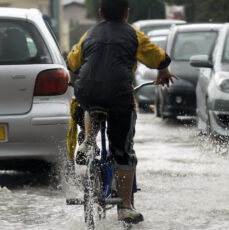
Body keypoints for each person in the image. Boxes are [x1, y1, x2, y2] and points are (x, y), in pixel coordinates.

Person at [66, 0, 177, 224]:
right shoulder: (133, 35)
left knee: (88, 103)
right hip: (118, 95)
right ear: (127, 13)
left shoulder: (89, 34)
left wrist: (75, 82)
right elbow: (158, 57)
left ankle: (88, 141)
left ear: (100, 13)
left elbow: (72, 61)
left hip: (86, 90)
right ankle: (125, 206)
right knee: (123, 151)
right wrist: (164, 71)